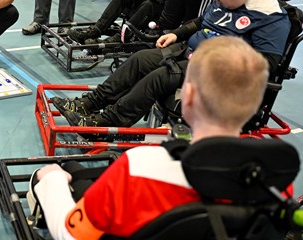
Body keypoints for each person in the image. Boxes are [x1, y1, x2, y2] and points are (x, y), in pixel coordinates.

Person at [31, 35, 269, 239]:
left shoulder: (140, 165)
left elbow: (70, 235)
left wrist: (52, 181)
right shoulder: (275, 177)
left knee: (62, 171)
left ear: (187, 96)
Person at [53, 0, 289, 128]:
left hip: (216, 72)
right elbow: (201, 21)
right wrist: (177, 33)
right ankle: (90, 104)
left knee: (159, 77)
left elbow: (265, 64)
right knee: (140, 59)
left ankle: (106, 122)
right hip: (188, 53)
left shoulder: (270, 17)